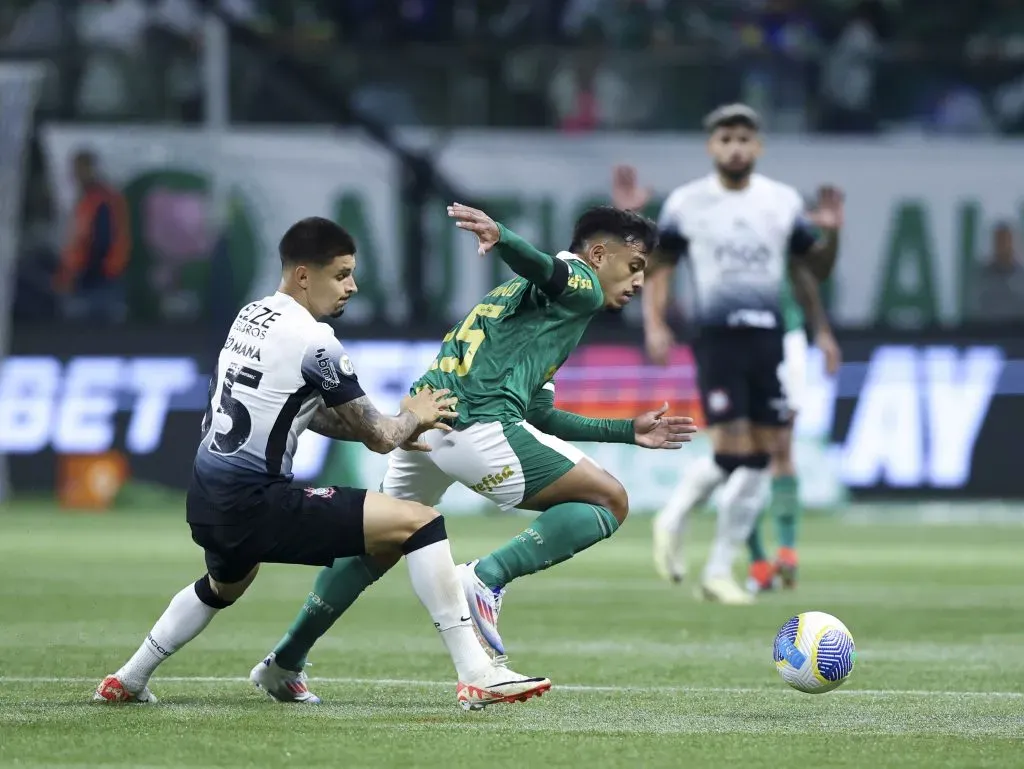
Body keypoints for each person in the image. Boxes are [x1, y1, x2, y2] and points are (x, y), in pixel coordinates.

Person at [92, 217, 551, 711]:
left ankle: (128, 678)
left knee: (224, 585)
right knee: (420, 522)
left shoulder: (251, 315)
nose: (352, 286)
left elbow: (305, 412)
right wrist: (412, 416)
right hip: (257, 501)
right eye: (342, 274)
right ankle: (477, 673)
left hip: (207, 498)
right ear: (304, 275)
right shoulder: (315, 341)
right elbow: (379, 437)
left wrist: (402, 428)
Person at [249, 204, 699, 702]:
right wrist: (504, 236)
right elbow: (546, 267)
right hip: (478, 426)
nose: (640, 282)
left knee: (376, 546)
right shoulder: (580, 282)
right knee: (609, 501)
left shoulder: (539, 309)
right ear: (598, 254)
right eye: (635, 267)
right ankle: (486, 577)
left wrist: (625, 431)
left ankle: (285, 660)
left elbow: (542, 412)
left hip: (427, 422)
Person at [611, 103, 841, 604]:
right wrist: (654, 322)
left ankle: (715, 566)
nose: (735, 148)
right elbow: (663, 266)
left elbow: (808, 272)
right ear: (711, 147)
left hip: (769, 339)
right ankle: (679, 524)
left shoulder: (780, 202)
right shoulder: (688, 203)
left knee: (758, 458)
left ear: (757, 146)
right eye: (725, 139)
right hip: (717, 337)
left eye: (743, 139)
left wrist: (834, 237)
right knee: (738, 451)